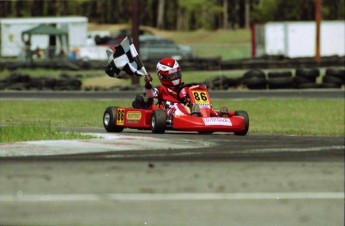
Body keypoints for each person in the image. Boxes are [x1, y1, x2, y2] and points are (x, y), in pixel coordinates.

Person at [144, 58, 198, 122]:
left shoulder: (184, 87)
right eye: (171, 76)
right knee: (178, 107)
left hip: (185, 108)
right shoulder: (162, 89)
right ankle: (190, 119)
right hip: (169, 111)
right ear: (162, 76)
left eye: (176, 74)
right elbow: (151, 94)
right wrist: (148, 84)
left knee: (196, 104)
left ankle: (199, 117)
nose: (175, 77)